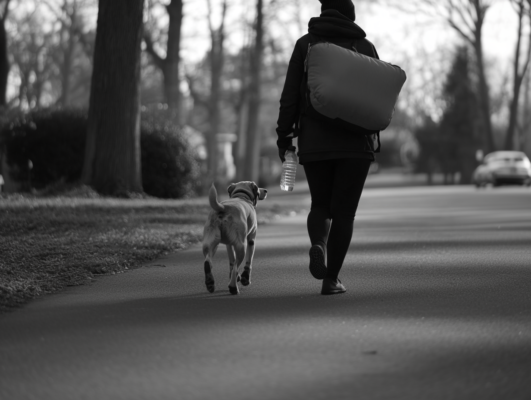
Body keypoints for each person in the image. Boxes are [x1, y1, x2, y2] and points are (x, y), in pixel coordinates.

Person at [276, 0, 380, 295]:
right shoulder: (365, 46)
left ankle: (318, 245)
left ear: (323, 11)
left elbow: (289, 97)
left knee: (320, 204)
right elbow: (376, 97)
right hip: (356, 144)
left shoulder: (305, 45)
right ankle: (331, 279)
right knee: (345, 213)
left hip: (315, 141)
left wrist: (284, 138)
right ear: (351, 14)